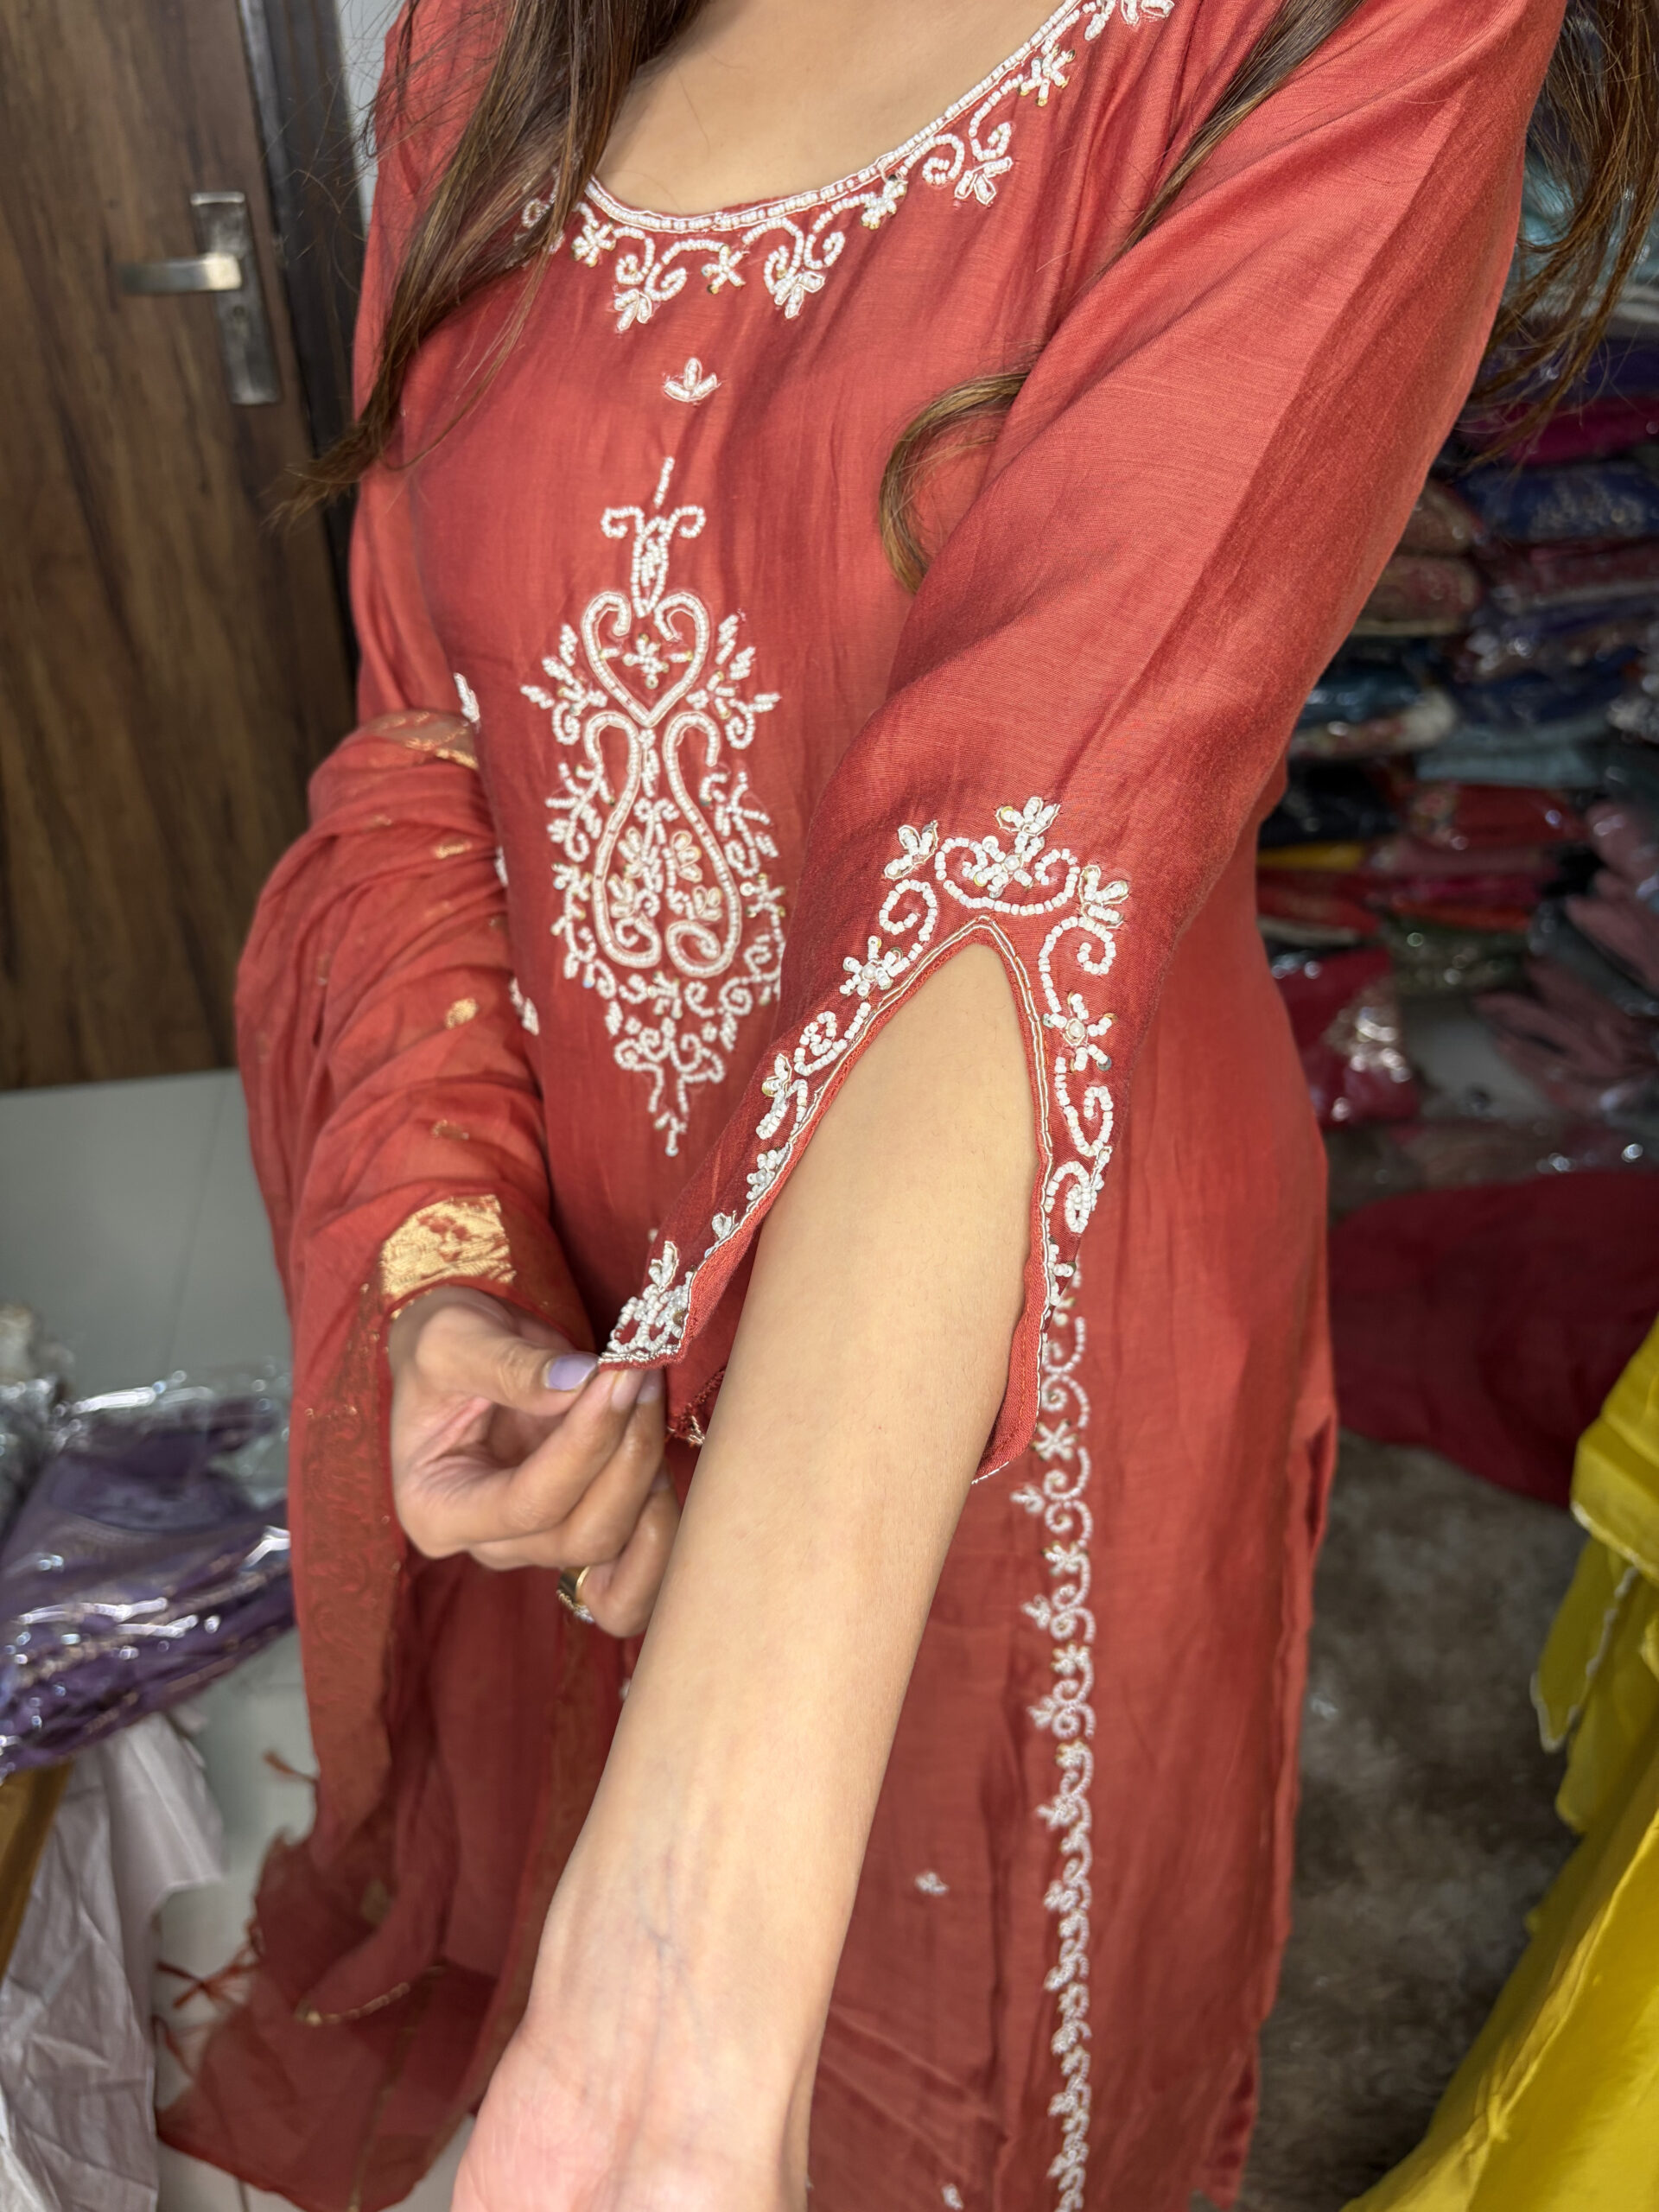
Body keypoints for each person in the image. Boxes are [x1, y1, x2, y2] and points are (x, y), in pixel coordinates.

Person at [158, 0, 1656, 2206]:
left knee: (987, 2090)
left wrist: (675, 1974)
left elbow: (1020, 848)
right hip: (589, 1320)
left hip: (1030, 1336)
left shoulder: (1352, 28)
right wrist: (449, 1249)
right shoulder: (500, 41)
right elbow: (421, 740)